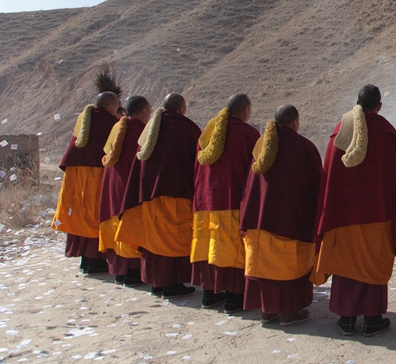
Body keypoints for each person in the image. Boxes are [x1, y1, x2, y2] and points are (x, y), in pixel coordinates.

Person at [312, 85, 396, 337]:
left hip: (343, 214)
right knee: (372, 261)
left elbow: (328, 174)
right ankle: (371, 319)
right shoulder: (386, 132)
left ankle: (346, 319)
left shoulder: (339, 130)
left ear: (356, 103)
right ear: (379, 107)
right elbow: (394, 175)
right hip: (377, 213)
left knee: (347, 263)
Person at [240, 105, 322, 326]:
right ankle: (288, 312)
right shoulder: (304, 147)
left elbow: (251, 186)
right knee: (288, 263)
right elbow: (317, 185)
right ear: (295, 122)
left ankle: (267, 311)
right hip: (290, 220)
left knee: (264, 262)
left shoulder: (261, 147)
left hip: (260, 218)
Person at [117, 93, 202, 298]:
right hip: (176, 192)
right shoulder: (186, 127)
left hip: (149, 192)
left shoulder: (151, 127)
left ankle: (157, 281)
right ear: (182, 109)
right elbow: (197, 160)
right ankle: (171, 283)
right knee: (174, 236)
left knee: (154, 236)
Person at [192, 93, 260, 313]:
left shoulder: (207, 133)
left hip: (206, 200)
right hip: (233, 200)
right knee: (231, 250)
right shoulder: (248, 134)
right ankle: (233, 297)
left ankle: (210, 295)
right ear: (245, 111)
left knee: (210, 247)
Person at [52, 91, 121, 275]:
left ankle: (85, 259)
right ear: (109, 107)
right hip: (94, 172)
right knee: (95, 214)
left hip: (74, 173)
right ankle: (94, 260)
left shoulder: (85, 117)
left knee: (81, 213)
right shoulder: (110, 122)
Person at [98, 95, 152, 286]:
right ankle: (132, 272)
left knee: (115, 221)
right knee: (129, 221)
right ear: (144, 111)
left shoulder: (117, 127)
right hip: (128, 185)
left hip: (113, 182)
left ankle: (118, 271)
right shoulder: (140, 131)